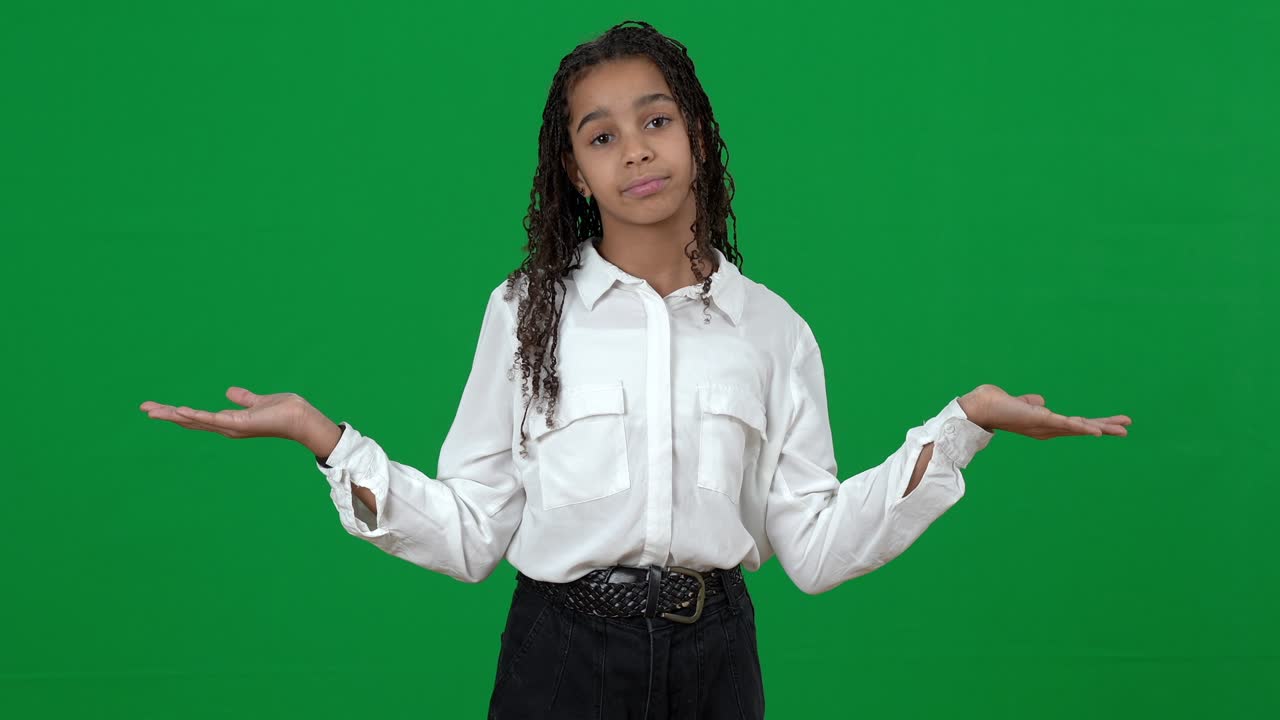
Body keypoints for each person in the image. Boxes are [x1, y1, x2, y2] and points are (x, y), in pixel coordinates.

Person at [139, 20, 1132, 719]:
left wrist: (962, 422)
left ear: (695, 132)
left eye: (654, 120)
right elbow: (471, 532)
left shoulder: (772, 332)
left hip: (715, 664)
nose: (634, 152)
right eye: (600, 136)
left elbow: (817, 548)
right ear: (574, 171)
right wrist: (325, 439)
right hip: (559, 660)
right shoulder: (523, 315)